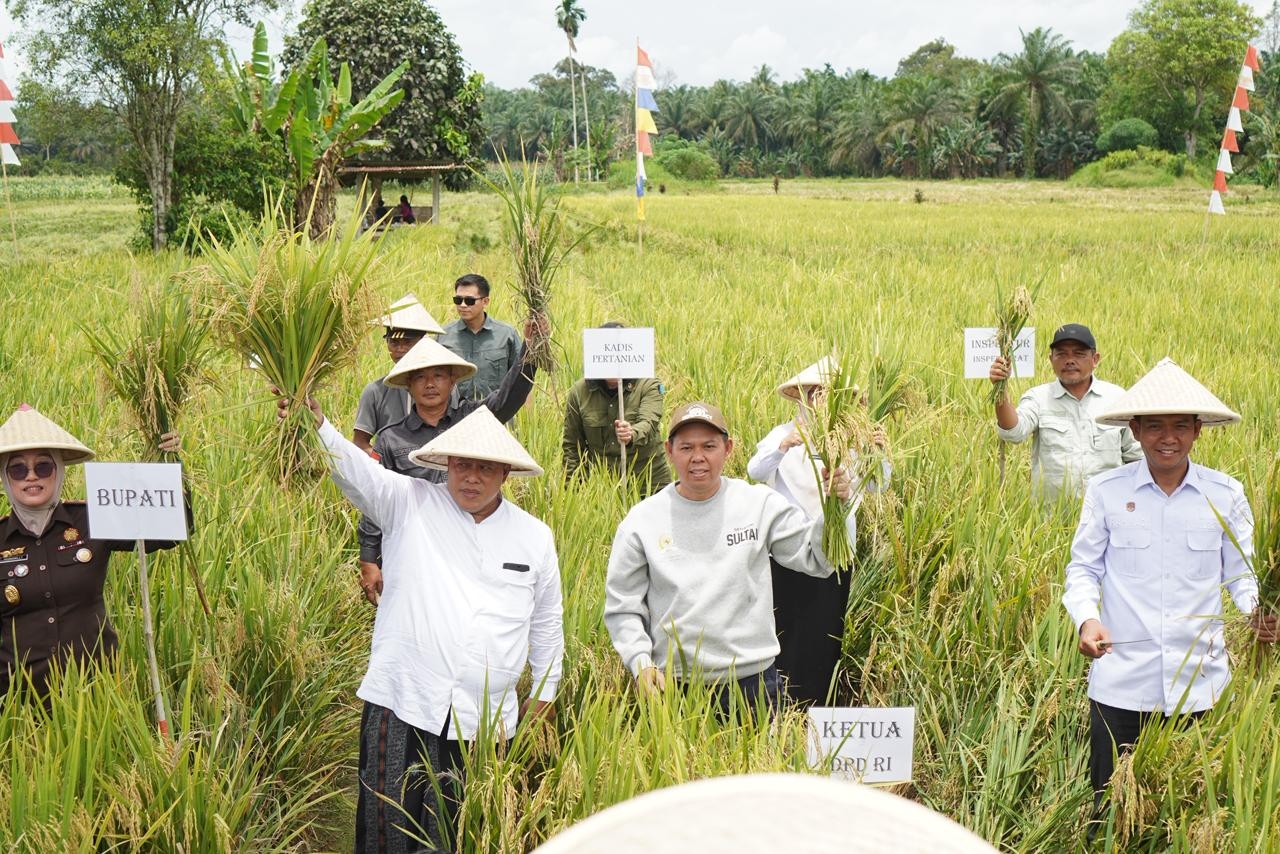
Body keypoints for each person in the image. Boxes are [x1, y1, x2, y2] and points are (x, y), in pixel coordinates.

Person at [296, 399, 563, 853]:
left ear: (505, 474)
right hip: (404, 700)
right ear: (447, 464)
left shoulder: (534, 536)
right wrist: (315, 421)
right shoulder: (410, 503)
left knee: (457, 835)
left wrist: (544, 697)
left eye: (485, 467)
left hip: (484, 721)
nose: (472, 477)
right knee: (388, 831)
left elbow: (546, 625)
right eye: (463, 465)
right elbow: (356, 472)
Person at [1061, 357, 1277, 822]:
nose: (1168, 437)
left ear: (1198, 430)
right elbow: (1082, 569)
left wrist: (1258, 611)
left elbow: (1241, 573)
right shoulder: (1106, 491)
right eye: (1155, 426)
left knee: (1188, 816)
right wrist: (1087, 618)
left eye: (1181, 425)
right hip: (1121, 685)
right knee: (1110, 811)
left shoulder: (1225, 494)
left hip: (1200, 685)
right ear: (1135, 431)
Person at [604, 401, 855, 715]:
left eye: (709, 445)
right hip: (675, 687)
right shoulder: (642, 521)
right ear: (669, 451)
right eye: (686, 447)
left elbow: (819, 560)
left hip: (754, 686)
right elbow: (622, 606)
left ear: (728, 448)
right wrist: (640, 662)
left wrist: (836, 508)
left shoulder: (758, 504)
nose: (698, 457)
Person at [0, 404, 184, 698]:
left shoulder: (93, 518)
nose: (31, 476)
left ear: (58, 471)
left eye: (43, 466)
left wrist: (172, 465)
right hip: (17, 701)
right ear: (6, 478)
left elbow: (167, 531)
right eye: (18, 469)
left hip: (95, 694)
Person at [356, 323, 541, 605]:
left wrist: (532, 347)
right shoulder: (391, 439)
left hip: (471, 546)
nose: (430, 384)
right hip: (415, 551)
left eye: (439, 376)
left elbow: (509, 398)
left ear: (452, 381)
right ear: (408, 384)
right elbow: (377, 500)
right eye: (420, 378)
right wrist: (369, 558)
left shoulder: (472, 419)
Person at [748, 358, 888, 704]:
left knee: (825, 632)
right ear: (801, 397)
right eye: (814, 393)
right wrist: (785, 446)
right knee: (786, 630)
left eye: (829, 394)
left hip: (837, 553)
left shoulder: (853, 439)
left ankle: (818, 704)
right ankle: (781, 702)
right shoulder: (782, 433)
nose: (820, 400)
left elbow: (879, 485)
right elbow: (755, 469)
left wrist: (879, 452)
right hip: (788, 554)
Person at [989, 323, 1141, 503]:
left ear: (1095, 359)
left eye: (1079, 354)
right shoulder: (1038, 398)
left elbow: (1136, 457)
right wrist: (1001, 388)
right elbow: (1014, 433)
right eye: (1061, 354)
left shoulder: (1117, 398)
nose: (1070, 360)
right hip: (1051, 520)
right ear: (1050, 359)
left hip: (1107, 514)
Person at [562, 322, 671, 495]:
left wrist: (632, 433)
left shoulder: (648, 385)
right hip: (603, 486)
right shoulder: (580, 391)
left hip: (648, 482)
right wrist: (571, 490)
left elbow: (649, 422)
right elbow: (572, 446)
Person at [352, 293, 445, 455]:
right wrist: (385, 464)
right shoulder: (376, 391)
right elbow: (360, 442)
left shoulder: (444, 386)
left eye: (407, 342)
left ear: (423, 343)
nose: (400, 349)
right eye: (394, 342)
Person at [438, 273, 525, 401]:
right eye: (458, 300)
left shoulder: (507, 335)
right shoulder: (443, 336)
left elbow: (522, 378)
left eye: (469, 301)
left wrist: (527, 419)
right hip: (455, 416)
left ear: (485, 301)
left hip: (496, 415)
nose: (462, 305)